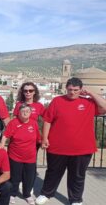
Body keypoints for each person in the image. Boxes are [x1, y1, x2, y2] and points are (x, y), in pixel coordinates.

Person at [35, 77, 106, 205]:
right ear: (66, 88)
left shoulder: (88, 103)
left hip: (82, 148)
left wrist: (90, 93)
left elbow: (104, 107)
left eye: (76, 90)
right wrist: (45, 138)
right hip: (57, 147)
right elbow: (47, 120)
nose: (72, 92)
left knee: (77, 176)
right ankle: (46, 193)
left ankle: (76, 199)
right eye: (70, 89)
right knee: (53, 172)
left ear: (81, 89)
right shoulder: (57, 101)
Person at [0, 104, 40, 205]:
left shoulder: (34, 123)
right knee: (15, 177)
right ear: (19, 113)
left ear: (30, 113)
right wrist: (1, 145)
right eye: (22, 111)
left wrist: (44, 142)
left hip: (30, 157)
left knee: (29, 177)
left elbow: (38, 138)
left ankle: (27, 194)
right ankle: (12, 194)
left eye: (27, 111)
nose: (25, 113)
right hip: (15, 156)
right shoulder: (14, 123)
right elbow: (5, 135)